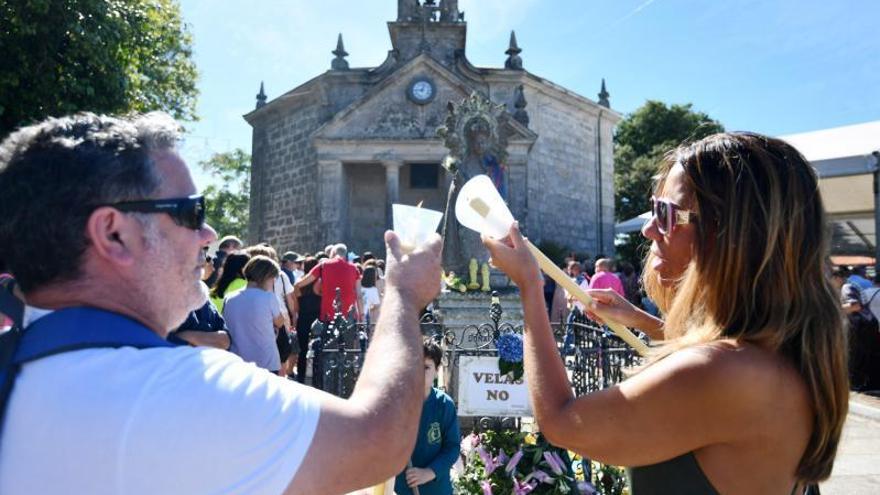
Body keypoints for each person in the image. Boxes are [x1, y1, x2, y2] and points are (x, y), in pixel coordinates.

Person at [0, 111, 444, 494]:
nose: (209, 234)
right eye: (190, 212)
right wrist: (403, 294)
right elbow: (377, 442)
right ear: (114, 234)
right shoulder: (180, 390)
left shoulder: (18, 369)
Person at [483, 132, 848, 494]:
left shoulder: (717, 372)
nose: (647, 229)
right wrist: (640, 320)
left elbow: (562, 421)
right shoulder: (783, 351)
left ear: (727, 231)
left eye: (665, 213)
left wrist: (529, 288)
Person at [394, 337, 460, 495]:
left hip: (437, 489)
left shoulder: (444, 404)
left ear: (437, 371)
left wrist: (429, 472)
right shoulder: (398, 404)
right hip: (402, 488)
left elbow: (452, 447)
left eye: (426, 367)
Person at [223, 255, 285, 373]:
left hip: (237, 360)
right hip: (265, 361)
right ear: (267, 276)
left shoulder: (229, 297)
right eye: (274, 278)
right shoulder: (268, 297)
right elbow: (280, 322)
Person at [295, 243, 363, 323]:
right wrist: (362, 315)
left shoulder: (323, 265)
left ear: (333, 253)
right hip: (349, 316)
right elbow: (359, 295)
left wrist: (297, 307)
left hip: (328, 315)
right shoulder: (354, 268)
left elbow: (300, 284)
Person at [294, 256, 322, 383]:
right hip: (317, 318)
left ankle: (300, 376)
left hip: (303, 317)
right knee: (318, 347)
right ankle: (316, 376)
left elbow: (296, 304)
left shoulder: (299, 283)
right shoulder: (320, 282)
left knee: (302, 349)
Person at [166, 300, 231, 350]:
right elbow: (166, 344)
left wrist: (188, 336)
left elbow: (225, 340)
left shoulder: (202, 296)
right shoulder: (163, 300)